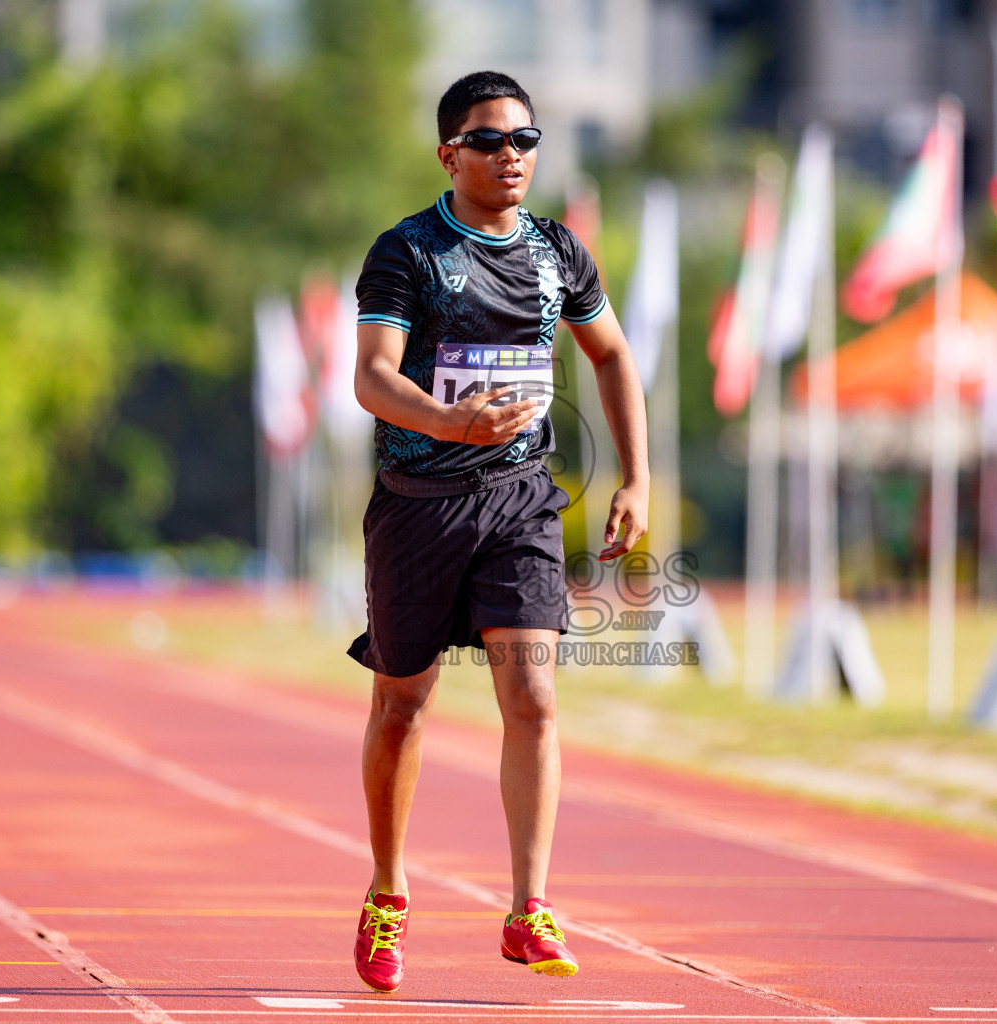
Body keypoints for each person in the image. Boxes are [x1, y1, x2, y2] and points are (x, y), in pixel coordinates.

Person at [347, 71, 649, 993]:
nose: (511, 156)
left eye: (525, 139)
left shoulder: (561, 254)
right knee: (403, 705)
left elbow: (611, 354)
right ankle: (389, 894)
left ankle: (529, 908)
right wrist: (448, 424)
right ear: (450, 154)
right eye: (490, 141)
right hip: (418, 505)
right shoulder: (408, 253)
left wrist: (637, 474)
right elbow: (371, 375)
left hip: (520, 501)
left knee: (537, 701)